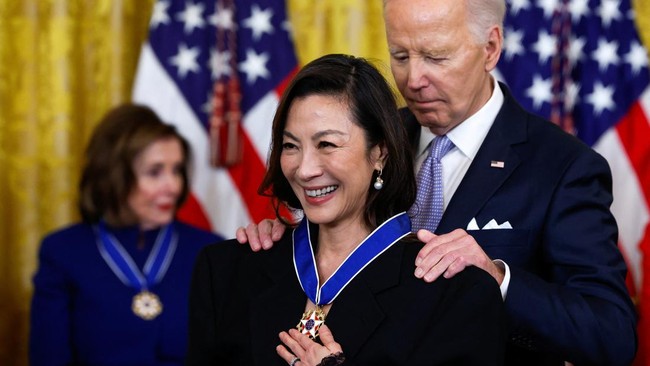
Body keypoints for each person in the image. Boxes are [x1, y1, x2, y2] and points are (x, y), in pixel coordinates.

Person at [236, 0, 638, 365]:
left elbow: (611, 333)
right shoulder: (370, 141)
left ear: (491, 48)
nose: (413, 79)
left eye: (436, 56)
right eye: (400, 55)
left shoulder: (563, 166)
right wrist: (284, 241)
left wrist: (497, 278)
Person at [186, 54, 506, 365]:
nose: (305, 169)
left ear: (380, 153)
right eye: (290, 146)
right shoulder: (225, 271)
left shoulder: (455, 294)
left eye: (327, 144)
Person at [29, 104, 223, 365]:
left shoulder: (209, 249)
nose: (173, 186)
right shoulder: (63, 252)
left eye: (176, 170)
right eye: (155, 172)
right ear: (114, 176)